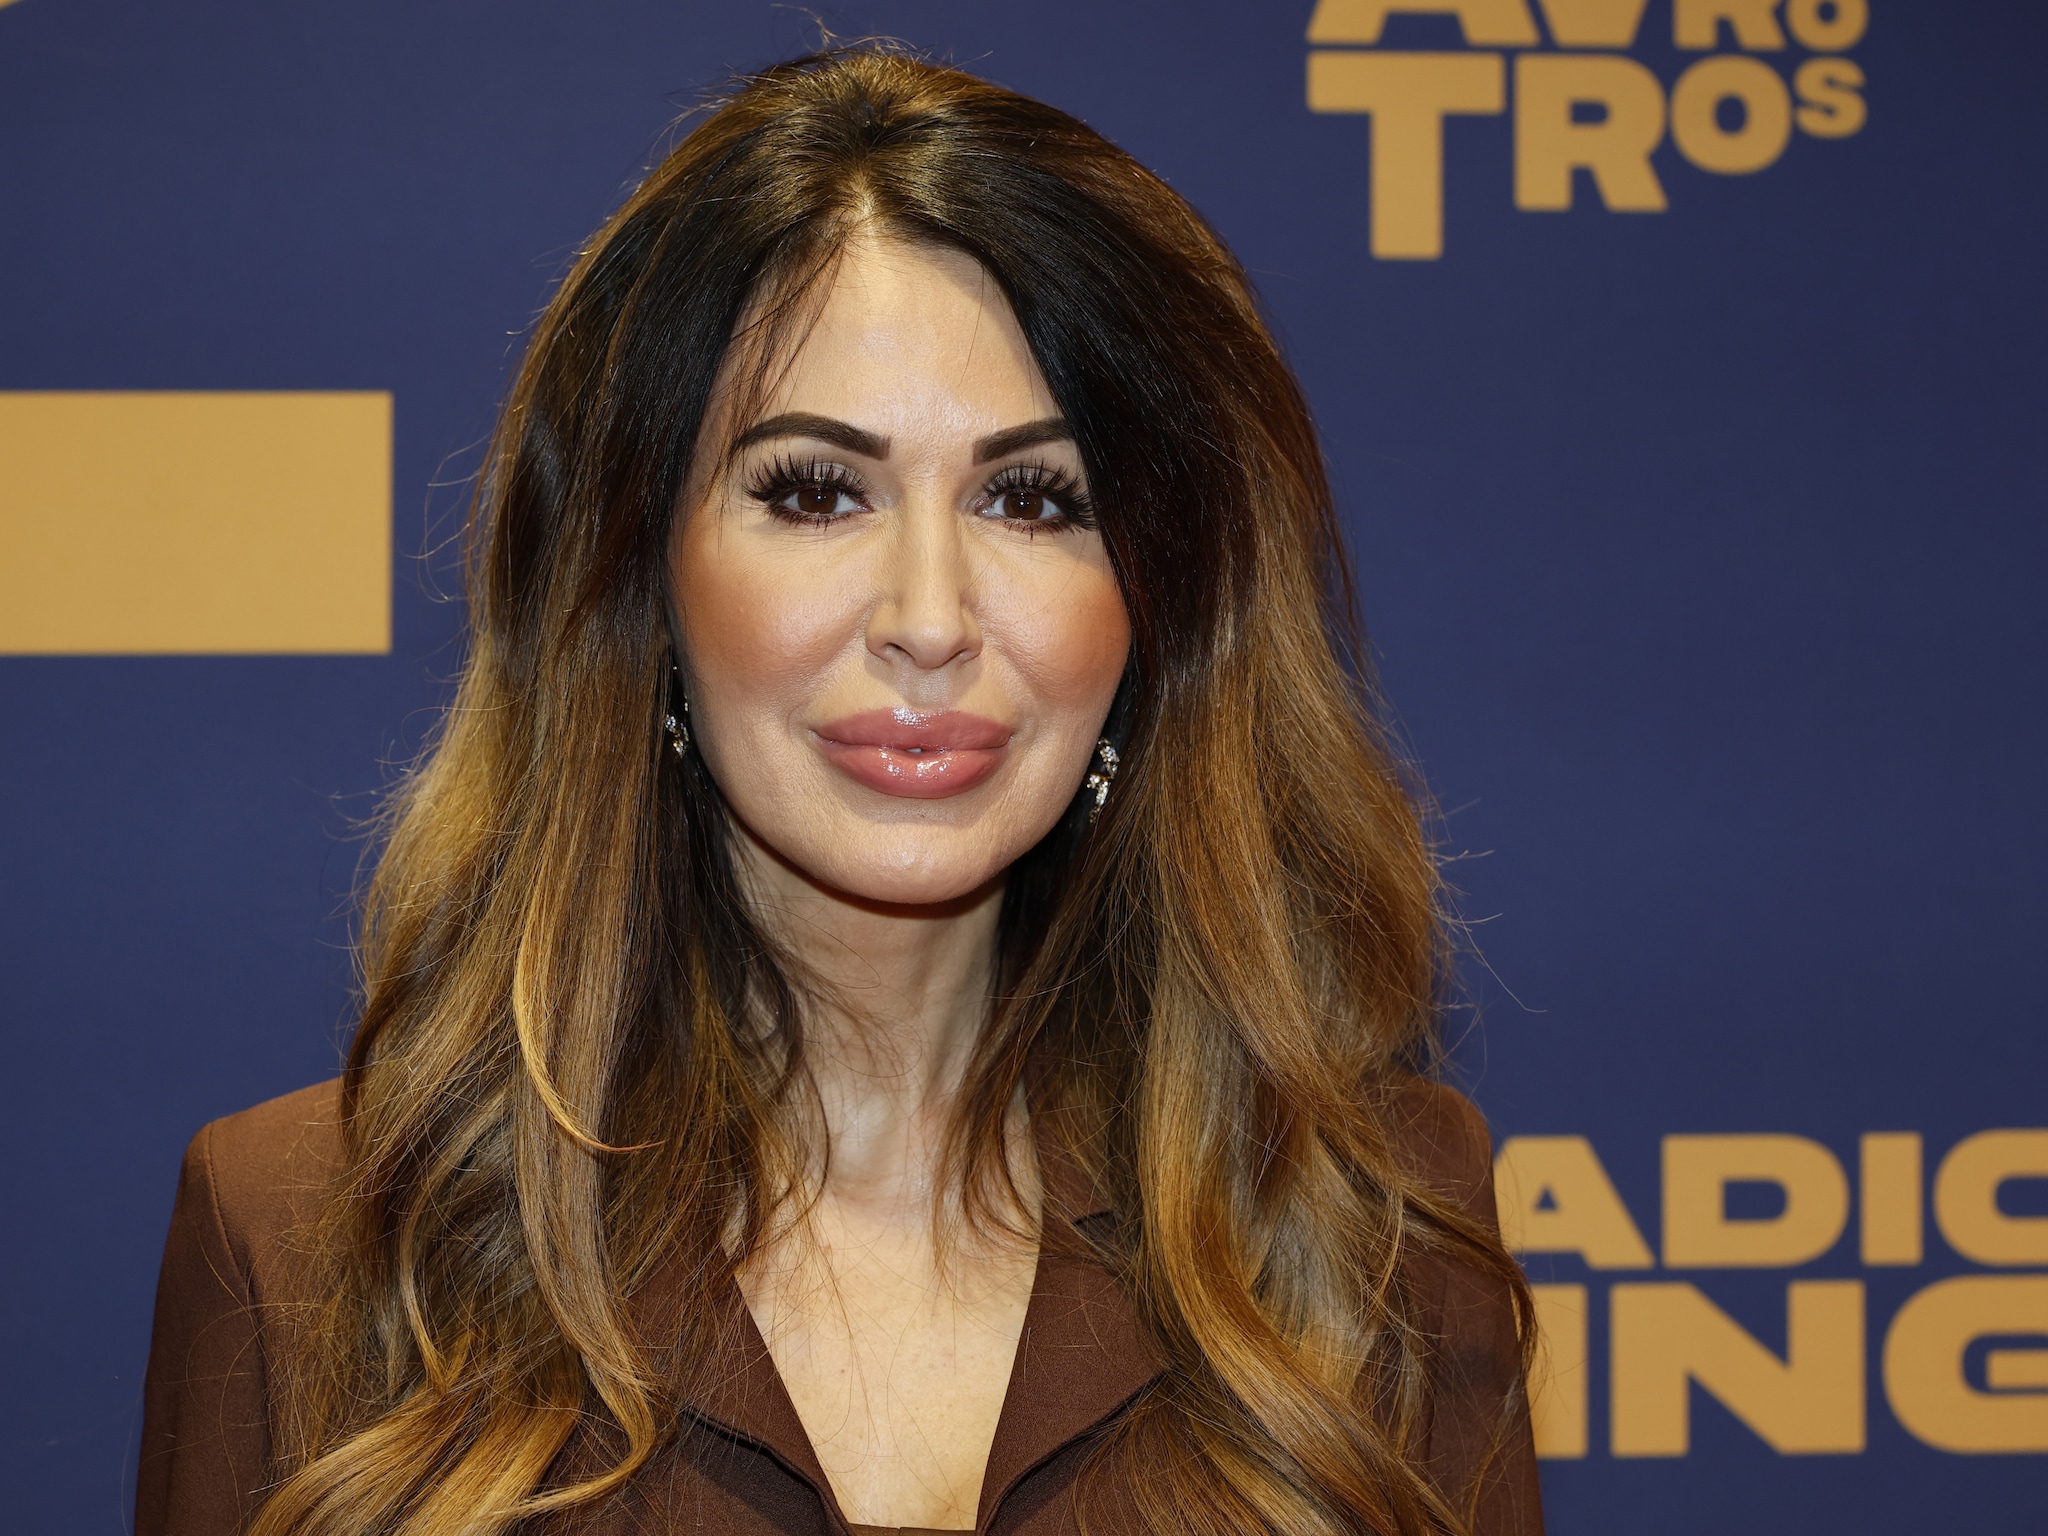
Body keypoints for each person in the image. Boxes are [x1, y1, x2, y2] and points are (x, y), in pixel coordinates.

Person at [137, 45, 1540, 1536]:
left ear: (1156, 609)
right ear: (639, 578)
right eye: (815, 491)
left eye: (1032, 498)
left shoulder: (1374, 1228)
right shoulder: (304, 1237)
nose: (929, 618)